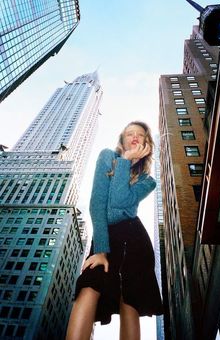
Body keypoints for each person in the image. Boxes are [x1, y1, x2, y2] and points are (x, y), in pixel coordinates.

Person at [66, 121, 163, 340]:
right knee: (90, 285)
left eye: (141, 135)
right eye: (130, 133)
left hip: (135, 239)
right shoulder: (107, 156)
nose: (135, 137)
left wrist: (126, 162)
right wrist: (100, 250)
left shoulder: (148, 181)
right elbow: (97, 205)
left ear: (147, 144)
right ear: (122, 140)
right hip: (106, 236)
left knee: (130, 299)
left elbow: (119, 201)